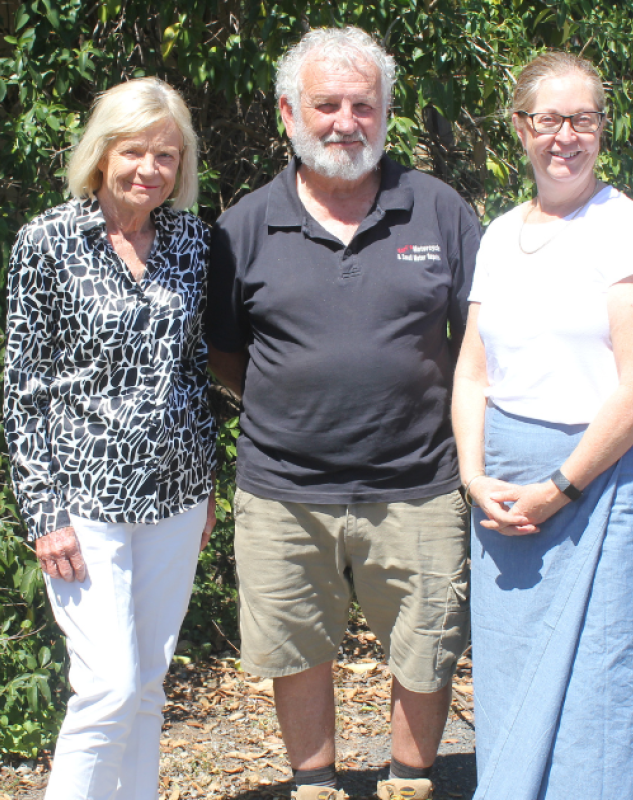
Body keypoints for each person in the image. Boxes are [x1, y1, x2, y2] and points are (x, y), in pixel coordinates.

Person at [206, 26, 479, 800]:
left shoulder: (438, 211)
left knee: (427, 646)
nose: (344, 122)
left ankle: (409, 782)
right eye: (326, 104)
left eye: (363, 105)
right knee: (295, 649)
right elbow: (228, 351)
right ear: (290, 112)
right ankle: (315, 785)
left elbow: (481, 344)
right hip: (284, 490)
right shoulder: (246, 225)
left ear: (385, 114)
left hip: (420, 481)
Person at [452, 51, 633, 799]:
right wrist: (473, 476)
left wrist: (561, 486)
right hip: (505, 486)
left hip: (602, 476)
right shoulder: (498, 235)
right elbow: (473, 375)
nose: (566, 136)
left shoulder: (629, 230)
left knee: (602, 677)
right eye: (549, 119)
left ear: (602, 131)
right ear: (521, 128)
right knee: (512, 670)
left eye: (583, 119)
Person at [3, 77, 216, 800]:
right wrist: (44, 513)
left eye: (166, 155)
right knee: (106, 686)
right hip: (83, 501)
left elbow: (194, 371)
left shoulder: (192, 241)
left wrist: (209, 482)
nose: (149, 169)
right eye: (134, 151)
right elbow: (24, 386)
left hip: (178, 495)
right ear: (102, 154)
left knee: (149, 686)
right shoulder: (47, 241)